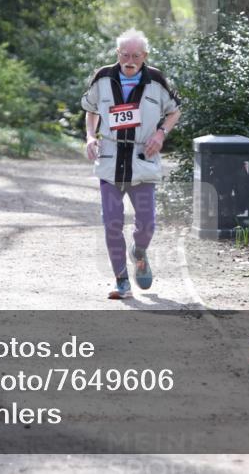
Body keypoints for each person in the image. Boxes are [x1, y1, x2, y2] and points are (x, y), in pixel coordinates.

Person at [81, 29, 181, 299]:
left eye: (136, 55)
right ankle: (121, 281)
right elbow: (90, 109)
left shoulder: (156, 80)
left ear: (145, 56)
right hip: (111, 161)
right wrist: (90, 136)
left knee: (147, 225)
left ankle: (139, 251)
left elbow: (174, 110)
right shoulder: (103, 77)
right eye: (125, 54)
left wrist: (161, 134)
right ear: (118, 54)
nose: (130, 60)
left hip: (142, 160)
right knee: (112, 223)